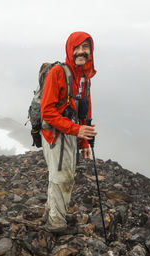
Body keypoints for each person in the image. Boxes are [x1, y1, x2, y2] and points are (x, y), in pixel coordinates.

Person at [40, 31, 97, 232]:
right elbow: (46, 111)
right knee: (61, 177)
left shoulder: (85, 78)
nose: (81, 52)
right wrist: (76, 130)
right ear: (69, 49)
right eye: (77, 47)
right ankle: (56, 223)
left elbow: (84, 110)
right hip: (55, 134)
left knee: (63, 175)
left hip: (72, 133)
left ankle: (53, 213)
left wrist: (83, 142)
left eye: (86, 47)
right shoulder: (58, 73)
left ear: (91, 51)